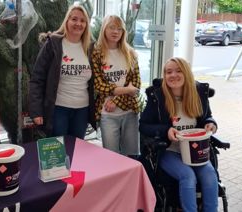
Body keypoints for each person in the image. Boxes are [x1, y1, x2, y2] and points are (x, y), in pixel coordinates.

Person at [139, 57, 218, 212]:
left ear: (187, 73)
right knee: (188, 176)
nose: (173, 75)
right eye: (169, 72)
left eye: (178, 70)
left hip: (195, 151)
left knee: (210, 174)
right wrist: (165, 131)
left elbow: (207, 117)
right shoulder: (157, 97)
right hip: (169, 151)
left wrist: (211, 123)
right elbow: (143, 125)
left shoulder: (198, 94)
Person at [29, 5, 95, 139]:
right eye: (74, 19)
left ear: (86, 25)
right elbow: (37, 79)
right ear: (67, 21)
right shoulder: (53, 44)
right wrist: (36, 111)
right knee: (58, 153)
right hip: (58, 110)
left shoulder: (91, 48)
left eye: (82, 21)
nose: (78, 23)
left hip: (82, 111)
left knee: (77, 150)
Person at [92, 15, 141, 156]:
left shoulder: (130, 53)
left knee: (132, 156)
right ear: (104, 29)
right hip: (108, 113)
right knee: (111, 157)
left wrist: (116, 100)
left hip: (130, 112)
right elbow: (98, 85)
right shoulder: (97, 53)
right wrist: (126, 90)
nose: (116, 32)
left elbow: (136, 84)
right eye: (112, 27)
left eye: (119, 29)